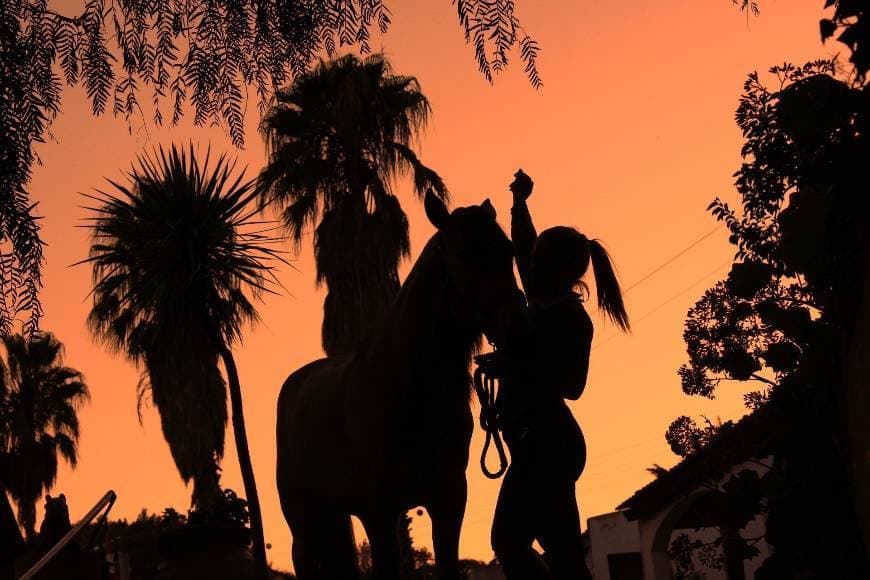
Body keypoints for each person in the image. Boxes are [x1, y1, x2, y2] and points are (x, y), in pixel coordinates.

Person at [489, 169, 630, 579]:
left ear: (558, 269)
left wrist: (510, 365)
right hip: (542, 445)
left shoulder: (568, 317)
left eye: (536, 262)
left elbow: (572, 385)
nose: (527, 266)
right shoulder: (543, 303)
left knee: (508, 541)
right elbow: (523, 246)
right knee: (565, 556)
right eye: (530, 262)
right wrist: (519, 203)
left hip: (546, 447)